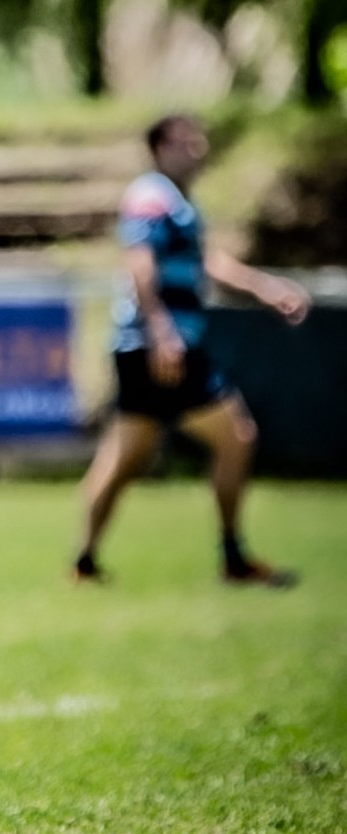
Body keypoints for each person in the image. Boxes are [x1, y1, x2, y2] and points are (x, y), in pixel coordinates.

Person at [74, 114, 310, 587]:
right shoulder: (150, 196)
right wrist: (161, 331)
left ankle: (85, 561)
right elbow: (140, 265)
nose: (198, 149)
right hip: (160, 345)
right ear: (159, 148)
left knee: (126, 454)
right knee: (236, 435)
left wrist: (263, 288)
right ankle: (233, 558)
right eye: (186, 142)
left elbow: (206, 262)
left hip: (147, 344)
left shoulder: (175, 202)